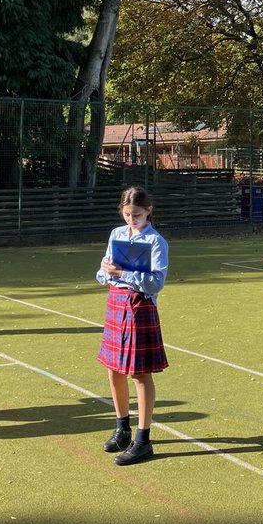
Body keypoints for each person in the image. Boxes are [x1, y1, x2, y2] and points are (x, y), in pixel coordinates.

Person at [96, 186, 169, 465]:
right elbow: (102, 274)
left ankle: (143, 440)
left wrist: (123, 273)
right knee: (113, 369)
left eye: (136, 214)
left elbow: (156, 283)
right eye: (127, 214)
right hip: (116, 303)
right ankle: (122, 430)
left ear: (148, 211)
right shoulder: (117, 234)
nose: (131, 220)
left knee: (139, 374)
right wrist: (106, 271)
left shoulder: (156, 241)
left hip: (140, 307)